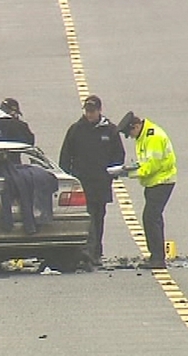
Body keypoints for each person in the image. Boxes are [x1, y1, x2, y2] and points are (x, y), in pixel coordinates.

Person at [59, 95, 125, 267]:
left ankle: (96, 251)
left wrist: (112, 173)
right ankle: (88, 253)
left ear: (99, 110)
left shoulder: (110, 130)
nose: (89, 114)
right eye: (87, 111)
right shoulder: (76, 130)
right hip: (82, 182)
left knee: (99, 216)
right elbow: (66, 155)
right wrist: (67, 177)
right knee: (88, 217)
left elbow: (119, 154)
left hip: (101, 183)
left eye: (92, 111)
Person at [115, 111, 177, 269]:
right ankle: (156, 255)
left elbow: (151, 166)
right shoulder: (143, 136)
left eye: (130, 133)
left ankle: (157, 258)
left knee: (150, 217)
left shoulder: (153, 137)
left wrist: (128, 173)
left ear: (136, 126)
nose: (131, 136)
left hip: (162, 181)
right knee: (153, 218)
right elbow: (145, 162)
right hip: (154, 183)